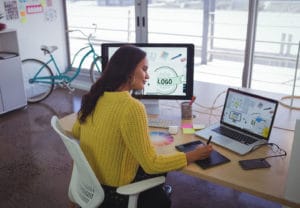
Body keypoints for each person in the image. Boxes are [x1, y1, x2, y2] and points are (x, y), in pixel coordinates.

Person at [72, 45, 213, 208]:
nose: (147, 76)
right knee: (161, 162)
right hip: (117, 194)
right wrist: (193, 155)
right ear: (129, 71)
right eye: (144, 69)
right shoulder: (132, 108)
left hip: (92, 187)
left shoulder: (96, 96)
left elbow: (76, 131)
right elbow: (151, 165)